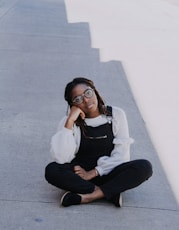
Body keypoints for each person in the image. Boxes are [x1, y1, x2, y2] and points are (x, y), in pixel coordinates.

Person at [45, 77, 153, 207]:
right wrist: (69, 123)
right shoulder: (69, 122)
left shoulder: (116, 115)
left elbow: (122, 156)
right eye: (78, 99)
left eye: (88, 93)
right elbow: (61, 158)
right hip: (79, 175)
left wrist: (93, 172)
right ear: (73, 105)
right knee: (52, 170)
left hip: (109, 172)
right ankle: (109, 191)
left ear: (94, 91)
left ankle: (88, 197)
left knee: (144, 167)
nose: (86, 100)